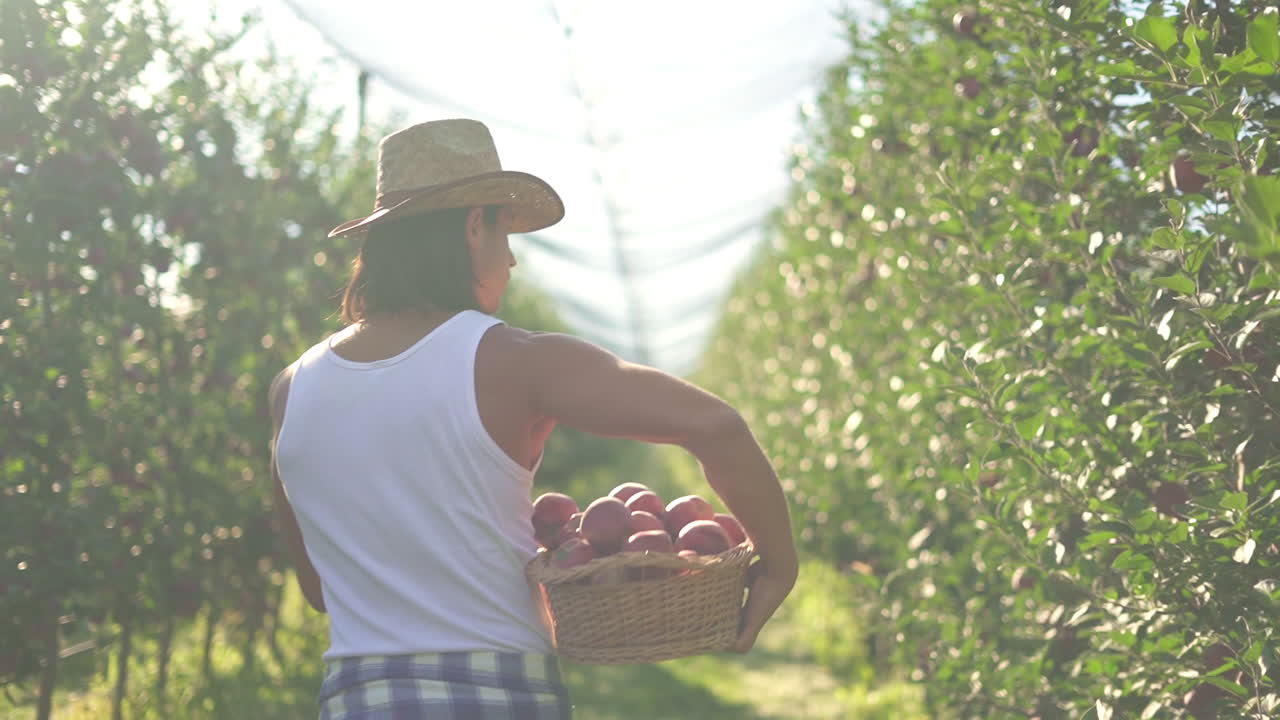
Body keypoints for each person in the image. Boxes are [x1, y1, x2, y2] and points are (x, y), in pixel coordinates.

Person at [268, 119, 798, 719]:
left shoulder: (292, 389)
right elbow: (715, 425)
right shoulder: (514, 362)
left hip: (358, 698)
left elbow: (320, 590)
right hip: (497, 696)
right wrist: (778, 565)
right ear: (474, 226)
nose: (512, 258)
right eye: (506, 231)